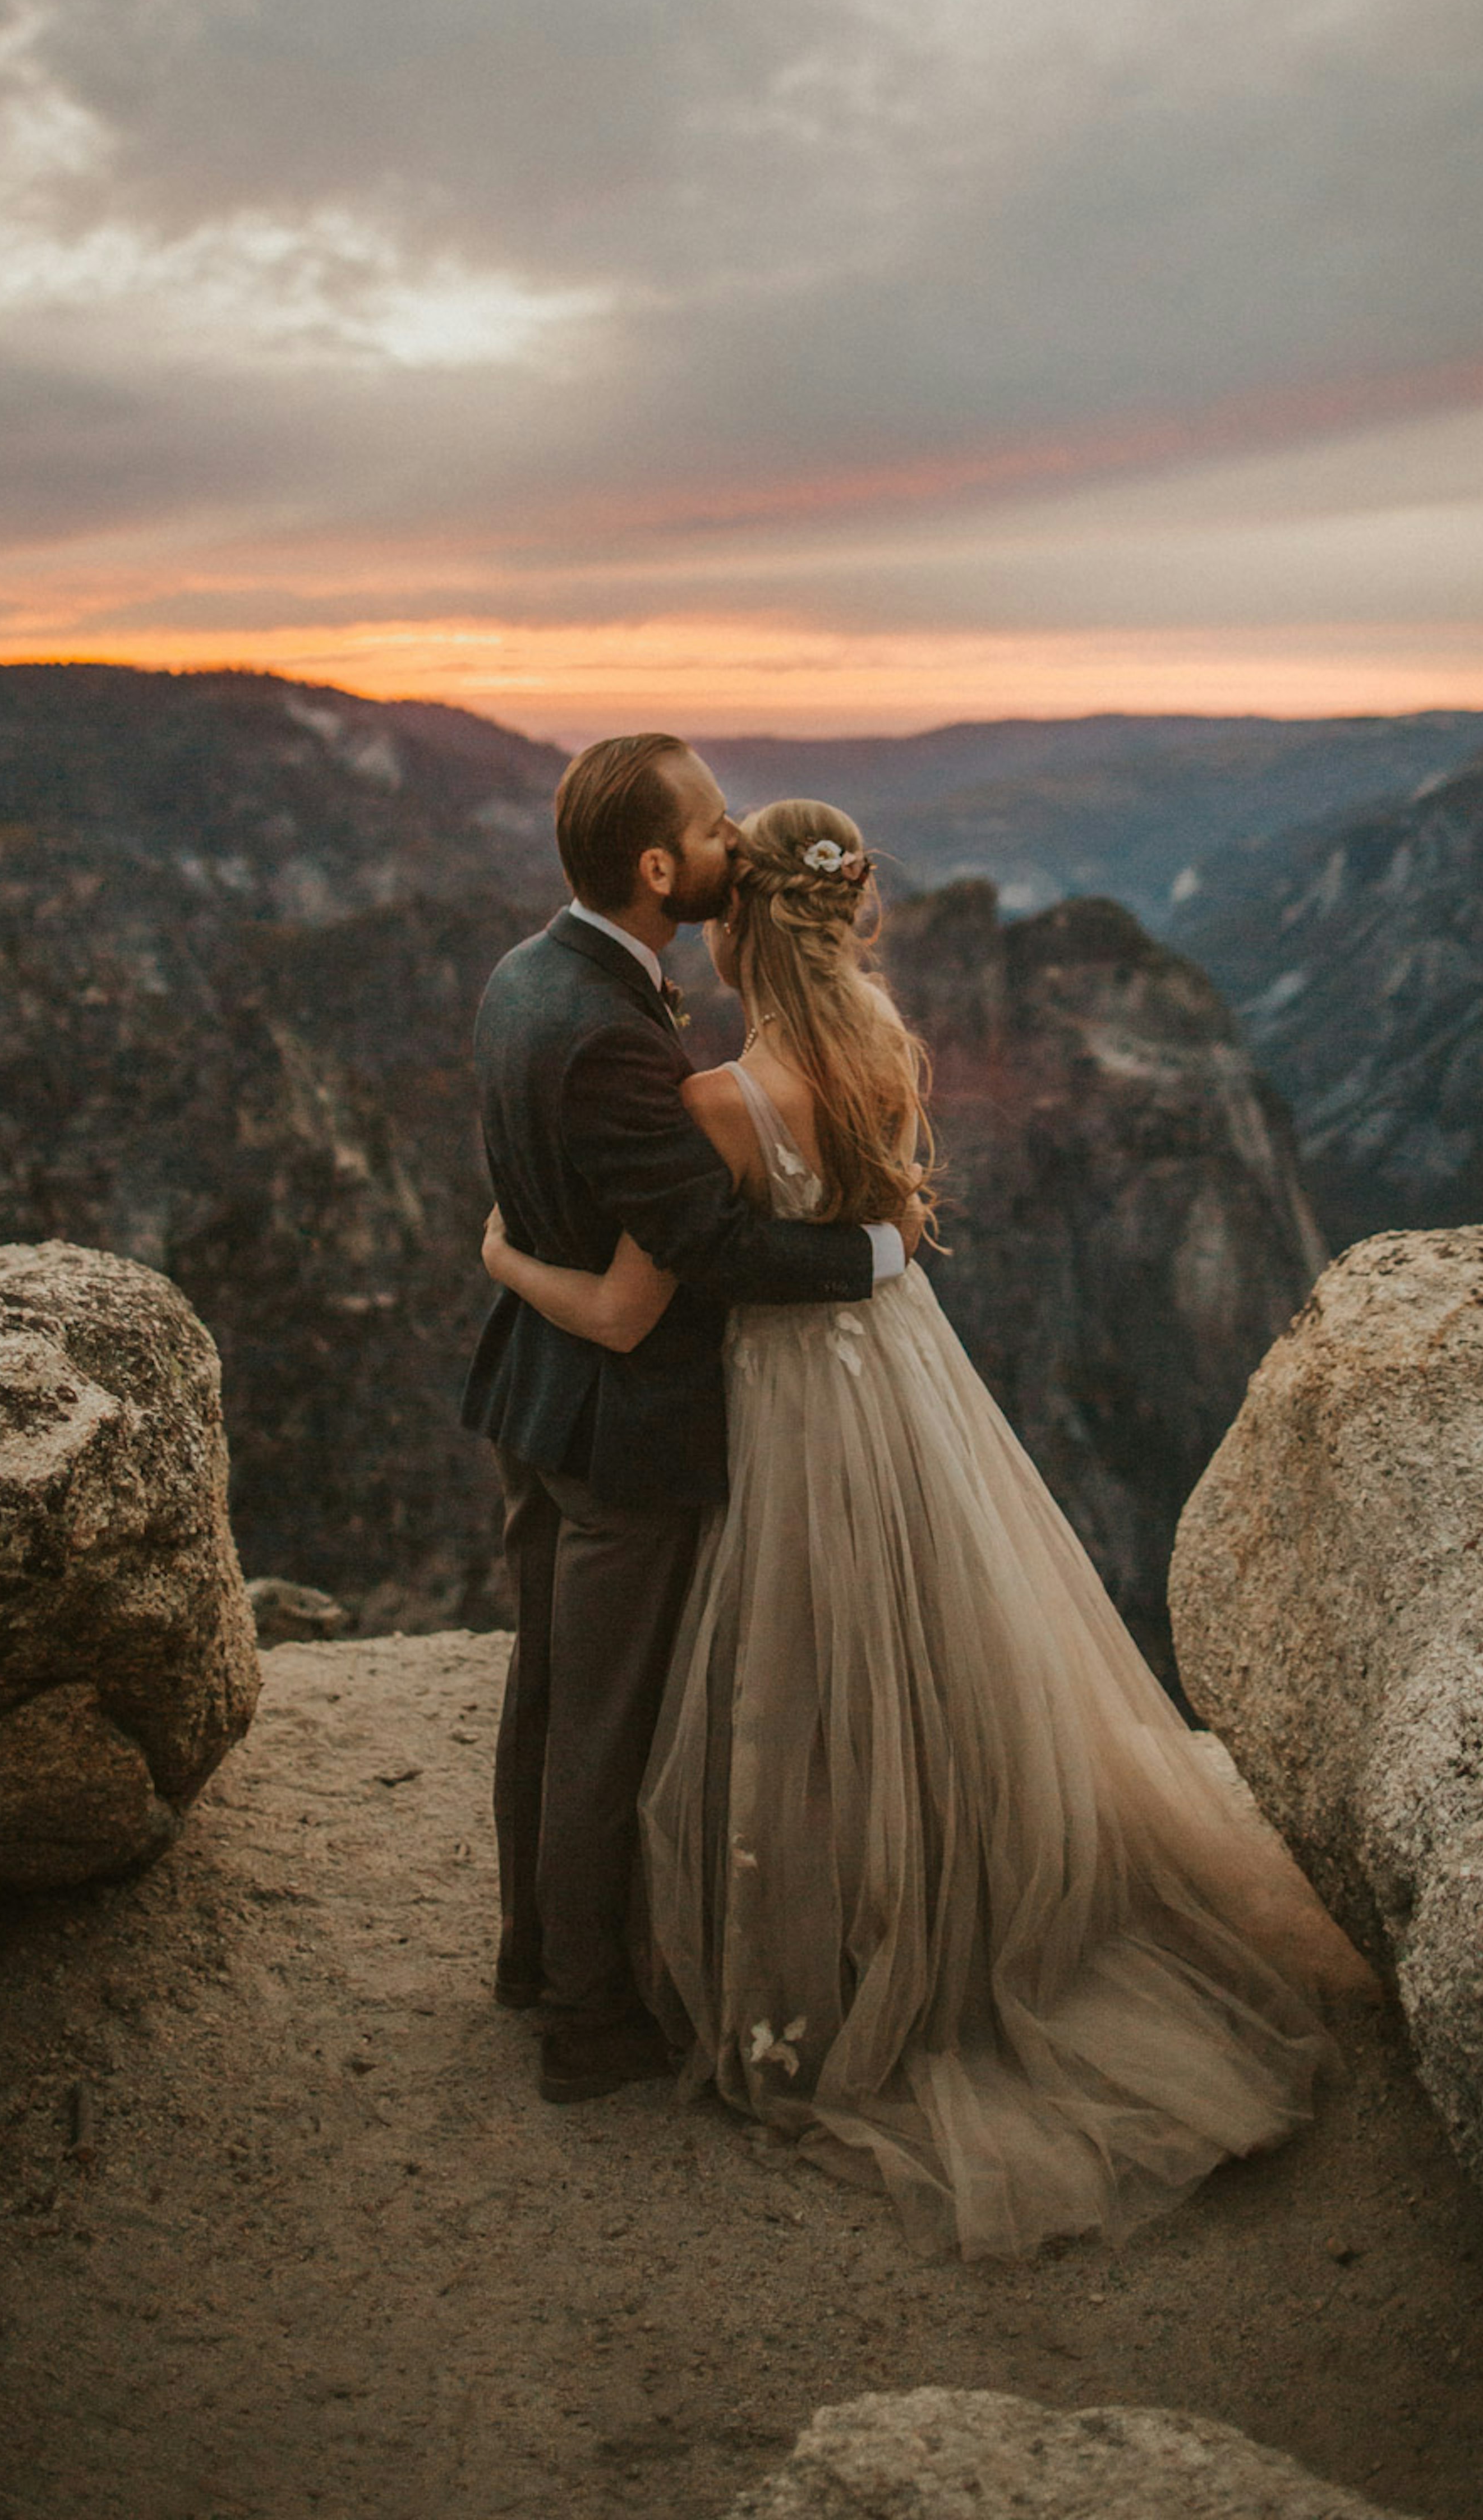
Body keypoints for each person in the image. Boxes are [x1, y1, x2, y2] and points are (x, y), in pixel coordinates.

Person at [481, 796, 1376, 2256]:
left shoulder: (714, 1103)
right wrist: (880, 1248)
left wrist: (507, 1252)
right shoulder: (892, 1048)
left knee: (794, 1682)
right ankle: (960, 1918)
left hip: (778, 1405)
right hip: (901, 1380)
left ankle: (818, 1958)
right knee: (931, 1653)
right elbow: (886, 1224)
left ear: (737, 929)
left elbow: (641, 1301)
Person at [463, 736, 914, 2106]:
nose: (732, 844)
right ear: (658, 868)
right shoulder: (616, 1036)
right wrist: (880, 1260)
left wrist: (503, 1264)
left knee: (549, 1702)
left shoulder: (526, 976)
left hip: (539, 1404)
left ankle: (536, 1958)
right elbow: (706, 1249)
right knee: (601, 1729)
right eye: (714, 827)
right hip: (618, 1429)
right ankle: (588, 2027)